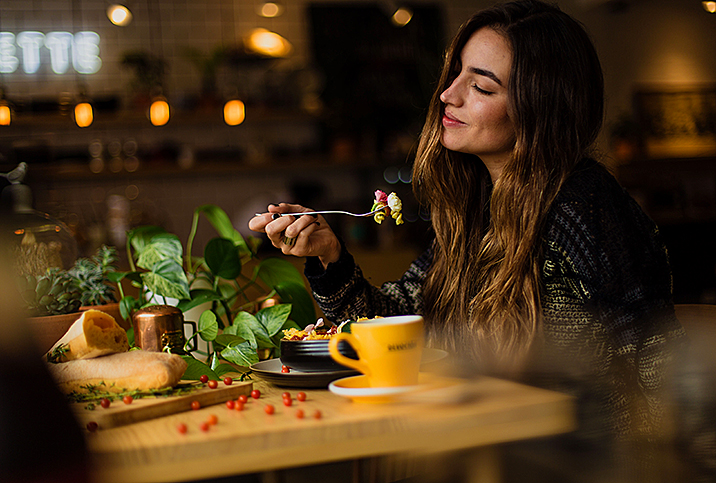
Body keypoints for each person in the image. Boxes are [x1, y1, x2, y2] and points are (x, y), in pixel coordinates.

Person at [249, 0, 686, 470]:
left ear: (540, 107)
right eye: (455, 74)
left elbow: (648, 367)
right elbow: (402, 328)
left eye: (480, 85)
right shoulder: (478, 211)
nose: (447, 95)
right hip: (488, 448)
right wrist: (330, 257)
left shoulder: (581, 208)